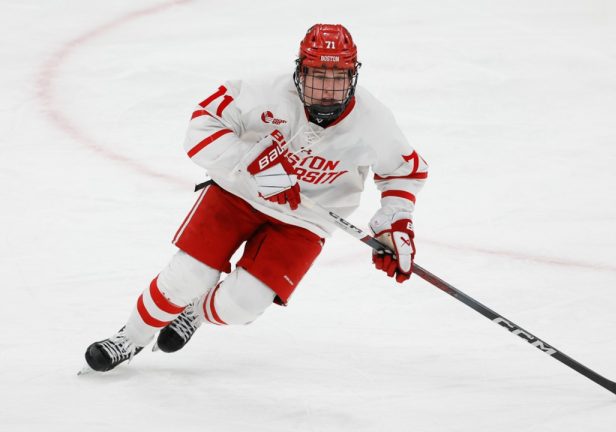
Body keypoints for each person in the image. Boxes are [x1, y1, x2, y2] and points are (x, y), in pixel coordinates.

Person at [83, 24, 428, 372]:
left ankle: (196, 311)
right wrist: (253, 163)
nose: (325, 89)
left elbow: (404, 171)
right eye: (317, 75)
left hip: (306, 219)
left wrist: (393, 222)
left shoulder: (374, 121)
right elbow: (202, 124)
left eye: (337, 77)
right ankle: (130, 338)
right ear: (299, 70)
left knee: (243, 304)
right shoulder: (264, 92)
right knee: (189, 275)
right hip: (238, 193)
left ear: (353, 76)